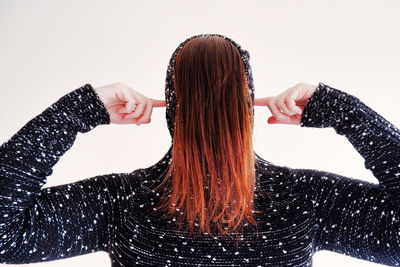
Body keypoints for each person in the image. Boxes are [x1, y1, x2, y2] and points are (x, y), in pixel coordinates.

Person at [0, 33, 399, 267]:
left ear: (172, 107)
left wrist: (79, 111)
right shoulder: (307, 200)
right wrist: (345, 112)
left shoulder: (120, 203)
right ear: (248, 107)